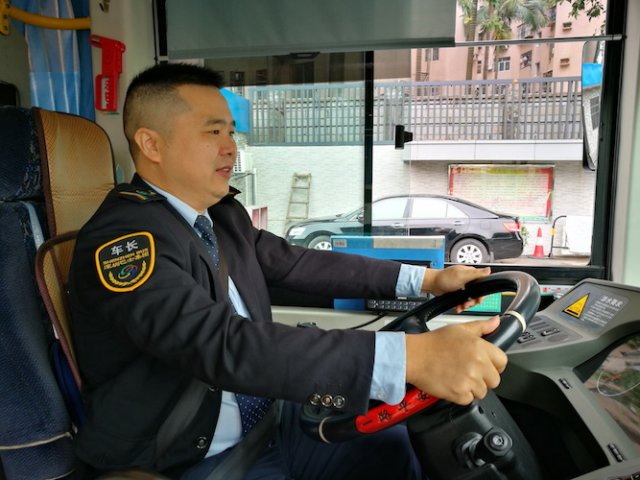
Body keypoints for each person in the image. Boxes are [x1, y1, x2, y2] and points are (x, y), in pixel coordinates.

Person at [68, 63, 507, 479]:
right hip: (187, 454)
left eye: (231, 131)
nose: (230, 146)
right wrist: (411, 357)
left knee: (393, 447)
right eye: (213, 131)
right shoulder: (122, 242)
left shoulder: (220, 217)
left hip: (272, 418)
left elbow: (300, 262)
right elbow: (218, 343)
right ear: (152, 145)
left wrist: (427, 281)